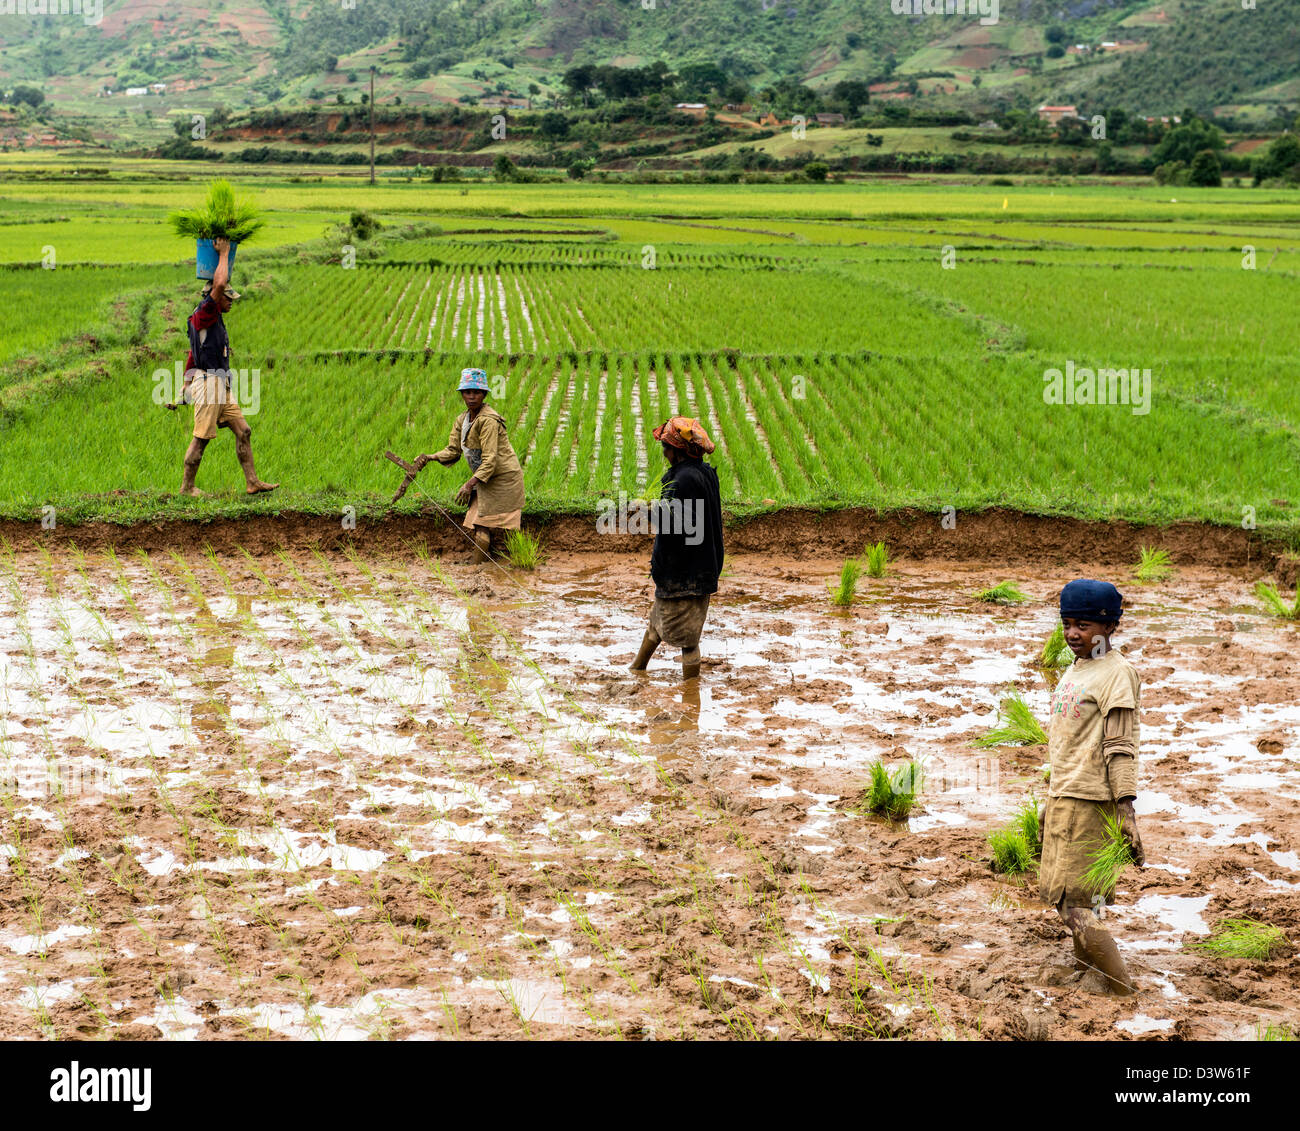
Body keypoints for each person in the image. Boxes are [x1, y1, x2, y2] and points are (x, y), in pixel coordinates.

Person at [1039, 578, 1145, 995]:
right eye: (1067, 624)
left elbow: (1121, 747)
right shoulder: (1080, 666)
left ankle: (1123, 991)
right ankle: (1088, 970)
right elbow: (1069, 739)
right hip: (1066, 795)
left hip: (1090, 800)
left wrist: (1126, 809)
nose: (1072, 634)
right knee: (1083, 897)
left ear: (1109, 627)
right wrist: (1051, 797)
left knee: (1074, 904)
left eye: (1083, 625)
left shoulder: (1116, 674)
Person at [173, 237, 278, 497]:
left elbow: (193, 355)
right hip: (209, 385)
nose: (232, 301)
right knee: (201, 439)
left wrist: (184, 387)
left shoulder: (212, 318)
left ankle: (252, 482)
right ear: (214, 297)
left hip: (220, 383)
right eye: (228, 297)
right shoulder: (205, 311)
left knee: (244, 431)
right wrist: (224, 253)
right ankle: (187, 488)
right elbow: (219, 282)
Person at [629, 416, 724, 681]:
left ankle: (690, 692)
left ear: (678, 451)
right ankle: (636, 669)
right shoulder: (703, 473)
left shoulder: (683, 482)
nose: (664, 452)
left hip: (686, 573)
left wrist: (648, 513)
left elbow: (678, 526)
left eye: (666, 447)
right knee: (656, 623)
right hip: (701, 566)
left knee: (688, 641)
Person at [414, 368, 525, 563]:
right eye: (467, 392)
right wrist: (430, 457)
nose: (472, 396)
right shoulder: (462, 420)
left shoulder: (488, 421)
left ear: (484, 394)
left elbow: (490, 460)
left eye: (477, 392)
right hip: (484, 479)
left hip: (502, 479)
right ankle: (482, 568)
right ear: (462, 394)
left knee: (483, 526)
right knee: (480, 525)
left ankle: (478, 569)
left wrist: (469, 484)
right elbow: (453, 450)